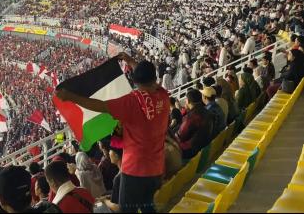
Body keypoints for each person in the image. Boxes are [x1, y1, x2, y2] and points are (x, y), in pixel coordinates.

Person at [56, 52, 170, 213]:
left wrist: (71, 97)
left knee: (126, 210)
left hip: (135, 171)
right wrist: (131, 62)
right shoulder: (162, 95)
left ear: (136, 81)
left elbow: (100, 105)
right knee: (147, 206)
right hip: (157, 167)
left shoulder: (133, 101)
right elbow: (147, 76)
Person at [176, 89, 213, 159]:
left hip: (191, 151)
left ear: (188, 101)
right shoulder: (206, 111)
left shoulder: (192, 117)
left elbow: (180, 136)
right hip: (204, 146)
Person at [96, 145, 123, 213]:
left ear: (116, 155)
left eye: (110, 150)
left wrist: (104, 201)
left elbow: (118, 207)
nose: (109, 152)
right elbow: (122, 194)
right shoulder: (126, 171)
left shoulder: (118, 178)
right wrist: (108, 196)